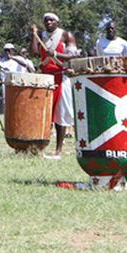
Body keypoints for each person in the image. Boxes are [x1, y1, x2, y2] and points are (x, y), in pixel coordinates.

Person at [31, 12, 78, 157]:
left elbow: (74, 55)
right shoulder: (42, 36)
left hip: (61, 77)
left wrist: (56, 55)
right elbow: (34, 53)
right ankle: (40, 146)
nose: (48, 22)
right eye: (46, 20)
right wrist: (34, 35)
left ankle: (59, 149)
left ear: (57, 22)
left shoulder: (66, 35)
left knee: (61, 115)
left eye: (51, 20)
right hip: (45, 78)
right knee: (44, 113)